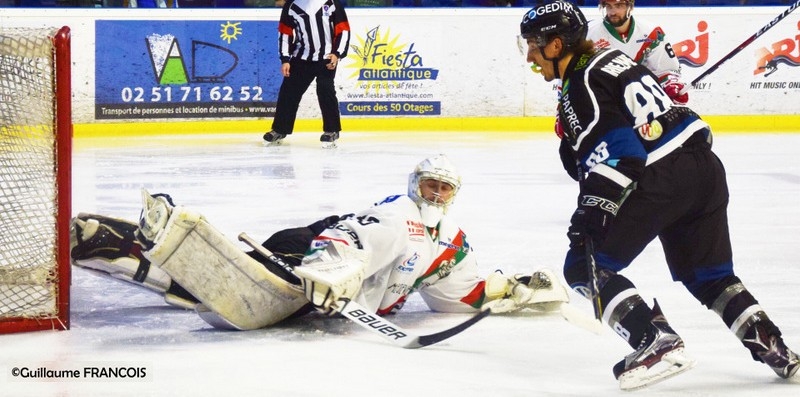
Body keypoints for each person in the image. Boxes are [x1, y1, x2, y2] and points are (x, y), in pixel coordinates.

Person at [519, 0, 797, 390]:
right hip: (704, 168)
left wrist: (591, 212)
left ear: (555, 45)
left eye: (534, 45)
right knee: (710, 276)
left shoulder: (580, 83)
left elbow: (623, 154)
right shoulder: (609, 60)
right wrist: (576, 149)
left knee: (583, 266)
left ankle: (655, 341)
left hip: (662, 175)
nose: (530, 56)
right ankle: (778, 352)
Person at [69, 155, 571, 332]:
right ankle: (143, 240)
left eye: (445, 188)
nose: (436, 194)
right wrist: (331, 274)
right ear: (414, 185)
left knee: (217, 295)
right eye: (429, 185)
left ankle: (122, 250)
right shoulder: (399, 213)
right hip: (306, 251)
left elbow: (455, 294)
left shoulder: (451, 241)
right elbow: (347, 238)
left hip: (318, 282)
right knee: (236, 292)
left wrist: (509, 291)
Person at [262, 0, 350, 148]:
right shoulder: (292, 5)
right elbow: (285, 32)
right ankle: (280, 130)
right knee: (288, 92)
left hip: (327, 57)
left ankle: (332, 130)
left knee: (325, 90)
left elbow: (343, 29)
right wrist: (285, 59)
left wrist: (337, 53)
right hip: (301, 57)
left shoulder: (331, 3)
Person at [588, 0, 688, 105]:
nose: (612, 12)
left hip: (641, 101)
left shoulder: (650, 32)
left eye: (618, 6)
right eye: (608, 6)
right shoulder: (588, 32)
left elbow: (666, 70)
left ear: (630, 6)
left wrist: (671, 85)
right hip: (602, 100)